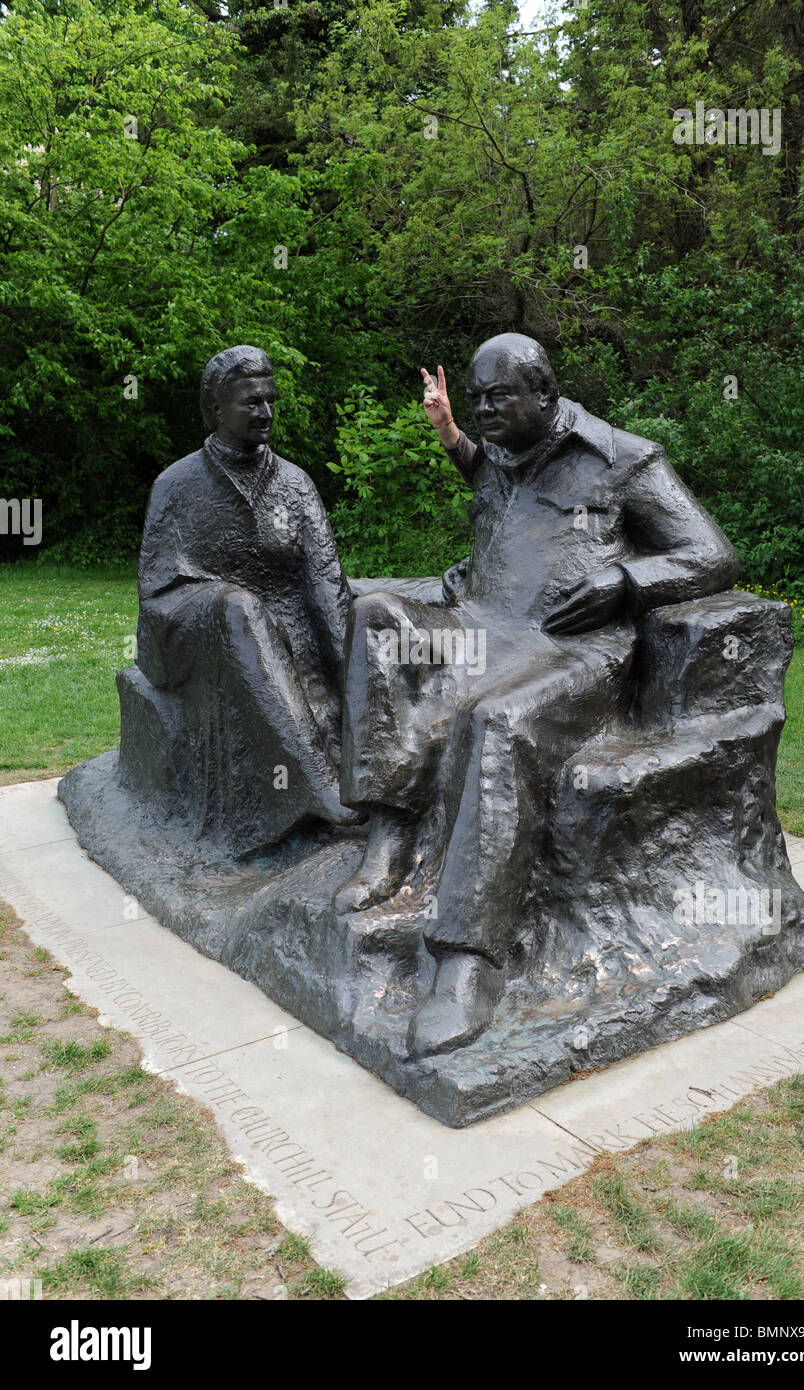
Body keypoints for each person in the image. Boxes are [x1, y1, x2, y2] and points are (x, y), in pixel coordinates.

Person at [335, 333, 738, 1057]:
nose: (485, 410)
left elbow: (711, 553)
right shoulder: (500, 451)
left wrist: (627, 582)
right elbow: (487, 474)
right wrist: (449, 430)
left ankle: (467, 961)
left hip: (574, 649)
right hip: (482, 627)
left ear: (545, 396)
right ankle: (389, 829)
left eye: (499, 398)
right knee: (373, 618)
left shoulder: (625, 459)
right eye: (478, 398)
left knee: (495, 721)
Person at [136, 345, 357, 855]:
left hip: (279, 621)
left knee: (363, 610)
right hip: (188, 624)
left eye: (270, 400)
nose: (266, 413)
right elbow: (156, 591)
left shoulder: (295, 484)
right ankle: (314, 781)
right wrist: (230, 606)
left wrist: (355, 692)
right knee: (238, 607)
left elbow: (326, 588)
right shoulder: (176, 483)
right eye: (251, 403)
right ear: (217, 410)